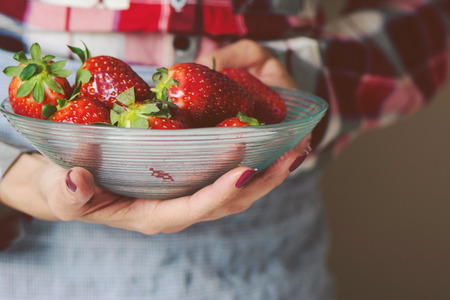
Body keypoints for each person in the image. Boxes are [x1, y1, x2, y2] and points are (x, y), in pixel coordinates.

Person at [0, 0, 448, 299]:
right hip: (38, 248)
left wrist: (293, 100)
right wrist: (14, 172)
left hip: (264, 261)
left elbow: (431, 15)